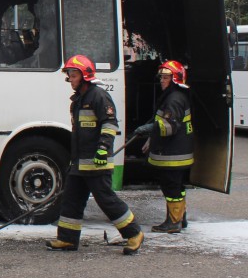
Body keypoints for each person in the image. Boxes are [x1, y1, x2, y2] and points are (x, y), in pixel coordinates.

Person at [46, 55, 144, 255]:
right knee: (71, 200)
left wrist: (103, 148)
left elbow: (109, 124)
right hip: (80, 163)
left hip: (97, 162)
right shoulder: (79, 99)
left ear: (84, 75)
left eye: (73, 75)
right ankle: (67, 239)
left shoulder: (98, 96)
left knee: (106, 200)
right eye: (70, 75)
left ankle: (134, 233)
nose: (70, 79)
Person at [132, 60, 193, 233]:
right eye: (161, 77)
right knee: (177, 188)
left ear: (174, 79)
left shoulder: (174, 99)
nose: (161, 80)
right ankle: (180, 218)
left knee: (171, 187)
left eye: (165, 77)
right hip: (178, 151)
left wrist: (150, 129)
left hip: (173, 154)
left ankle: (173, 223)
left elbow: (170, 127)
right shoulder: (175, 95)